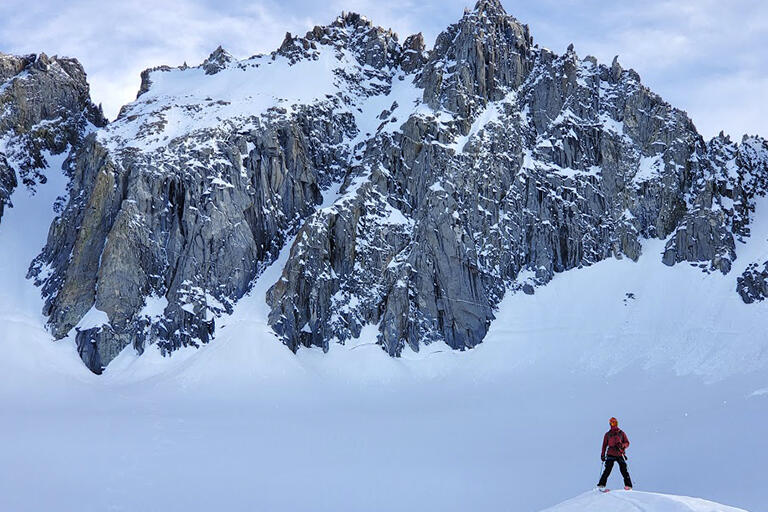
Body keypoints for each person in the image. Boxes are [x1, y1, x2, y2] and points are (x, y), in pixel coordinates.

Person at [597, 417, 633, 491]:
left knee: (624, 469)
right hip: (611, 453)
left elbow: (627, 443)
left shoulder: (621, 433)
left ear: (617, 423)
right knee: (608, 469)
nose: (613, 425)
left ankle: (628, 485)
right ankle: (601, 484)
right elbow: (604, 445)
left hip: (620, 453)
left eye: (614, 423)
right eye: (612, 423)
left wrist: (622, 445)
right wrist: (602, 455)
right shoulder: (608, 434)